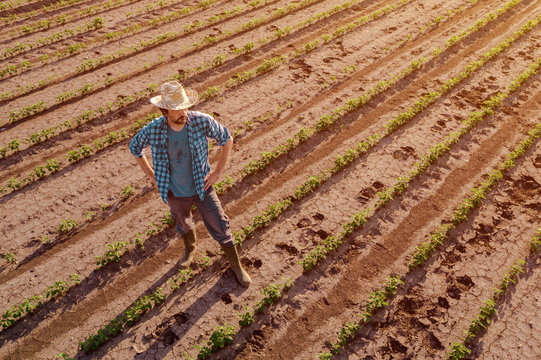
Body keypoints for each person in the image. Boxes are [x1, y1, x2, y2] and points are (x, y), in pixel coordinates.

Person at [129, 81, 251, 286]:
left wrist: (218, 172)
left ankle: (236, 265)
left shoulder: (201, 121)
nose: (182, 112)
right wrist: (153, 177)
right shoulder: (154, 130)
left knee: (220, 225)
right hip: (174, 193)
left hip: (202, 188)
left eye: (184, 106)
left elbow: (227, 138)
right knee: (182, 222)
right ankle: (190, 249)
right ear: (164, 111)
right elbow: (135, 148)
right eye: (176, 109)